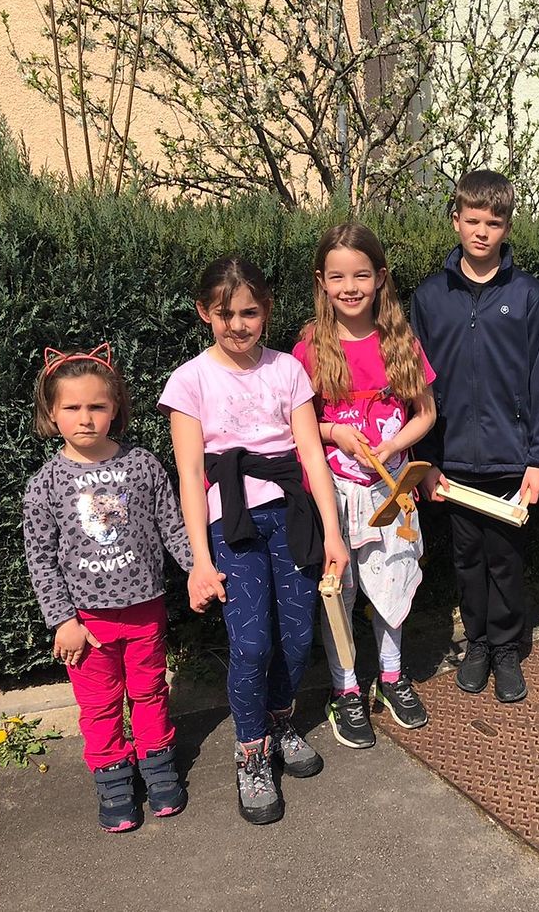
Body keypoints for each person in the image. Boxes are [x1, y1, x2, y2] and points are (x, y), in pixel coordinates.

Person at [159, 256, 348, 826]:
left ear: (266, 311)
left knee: (297, 637)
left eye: (249, 313)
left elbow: (311, 453)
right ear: (204, 313)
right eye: (225, 315)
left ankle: (280, 720)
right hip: (232, 525)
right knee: (250, 644)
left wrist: (333, 533)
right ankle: (251, 751)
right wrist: (198, 560)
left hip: (291, 517)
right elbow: (191, 476)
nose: (238, 325)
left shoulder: (287, 370)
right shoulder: (189, 381)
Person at [23, 343, 191, 833]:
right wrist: (62, 620)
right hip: (87, 625)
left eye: (97, 405)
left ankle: (158, 765)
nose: (85, 418)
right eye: (72, 407)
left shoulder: (142, 464)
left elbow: (172, 527)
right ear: (51, 413)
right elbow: (40, 559)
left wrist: (199, 569)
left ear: (115, 407)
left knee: (150, 692)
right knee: (99, 707)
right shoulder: (45, 484)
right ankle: (114, 780)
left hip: (145, 611)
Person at [410, 170, 539, 703]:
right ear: (456, 220)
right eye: (472, 220)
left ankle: (506, 648)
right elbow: (417, 388)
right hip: (451, 462)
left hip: (510, 460)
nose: (481, 232)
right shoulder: (430, 297)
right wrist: (425, 460)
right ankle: (477, 644)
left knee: (506, 559)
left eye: (493, 223)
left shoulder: (527, 295)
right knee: (467, 559)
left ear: (507, 227)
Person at [292, 222, 437, 748]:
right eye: (338, 277)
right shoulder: (310, 347)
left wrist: (395, 445)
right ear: (322, 281)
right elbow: (298, 424)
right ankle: (346, 688)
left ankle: (392, 677)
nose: (350, 287)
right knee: (342, 591)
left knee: (392, 581)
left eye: (360, 275)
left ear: (380, 277)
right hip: (334, 493)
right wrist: (335, 433)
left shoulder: (401, 342)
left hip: (389, 492)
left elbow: (426, 413)